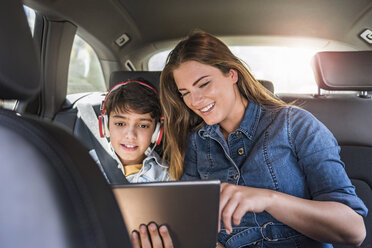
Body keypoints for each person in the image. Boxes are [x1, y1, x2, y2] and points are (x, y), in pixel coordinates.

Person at [158, 31, 368, 247]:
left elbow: (353, 230)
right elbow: (194, 224)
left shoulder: (295, 124)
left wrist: (268, 199)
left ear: (232, 75)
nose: (195, 100)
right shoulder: (196, 142)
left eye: (203, 84)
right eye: (185, 92)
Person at [92, 79, 170, 183]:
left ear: (156, 132)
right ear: (106, 126)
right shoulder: (85, 165)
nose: (130, 135)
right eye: (120, 124)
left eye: (143, 125)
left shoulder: (166, 175)